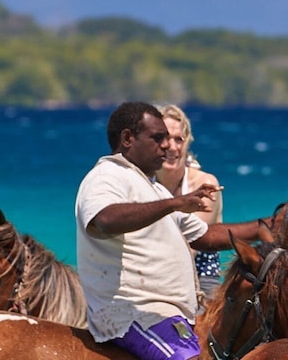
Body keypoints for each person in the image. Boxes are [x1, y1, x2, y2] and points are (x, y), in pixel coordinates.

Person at [74, 101, 264, 360]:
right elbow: (105, 219)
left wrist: (264, 226)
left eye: (171, 138)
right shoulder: (107, 175)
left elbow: (205, 236)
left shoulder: (153, 188)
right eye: (158, 138)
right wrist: (175, 203)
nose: (167, 146)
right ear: (128, 138)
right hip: (133, 314)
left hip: (165, 315)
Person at [154, 105, 226, 302]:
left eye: (179, 139)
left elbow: (188, 245)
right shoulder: (143, 183)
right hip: (154, 279)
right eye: (165, 138)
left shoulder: (205, 185)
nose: (173, 146)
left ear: (187, 144)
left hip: (200, 282)